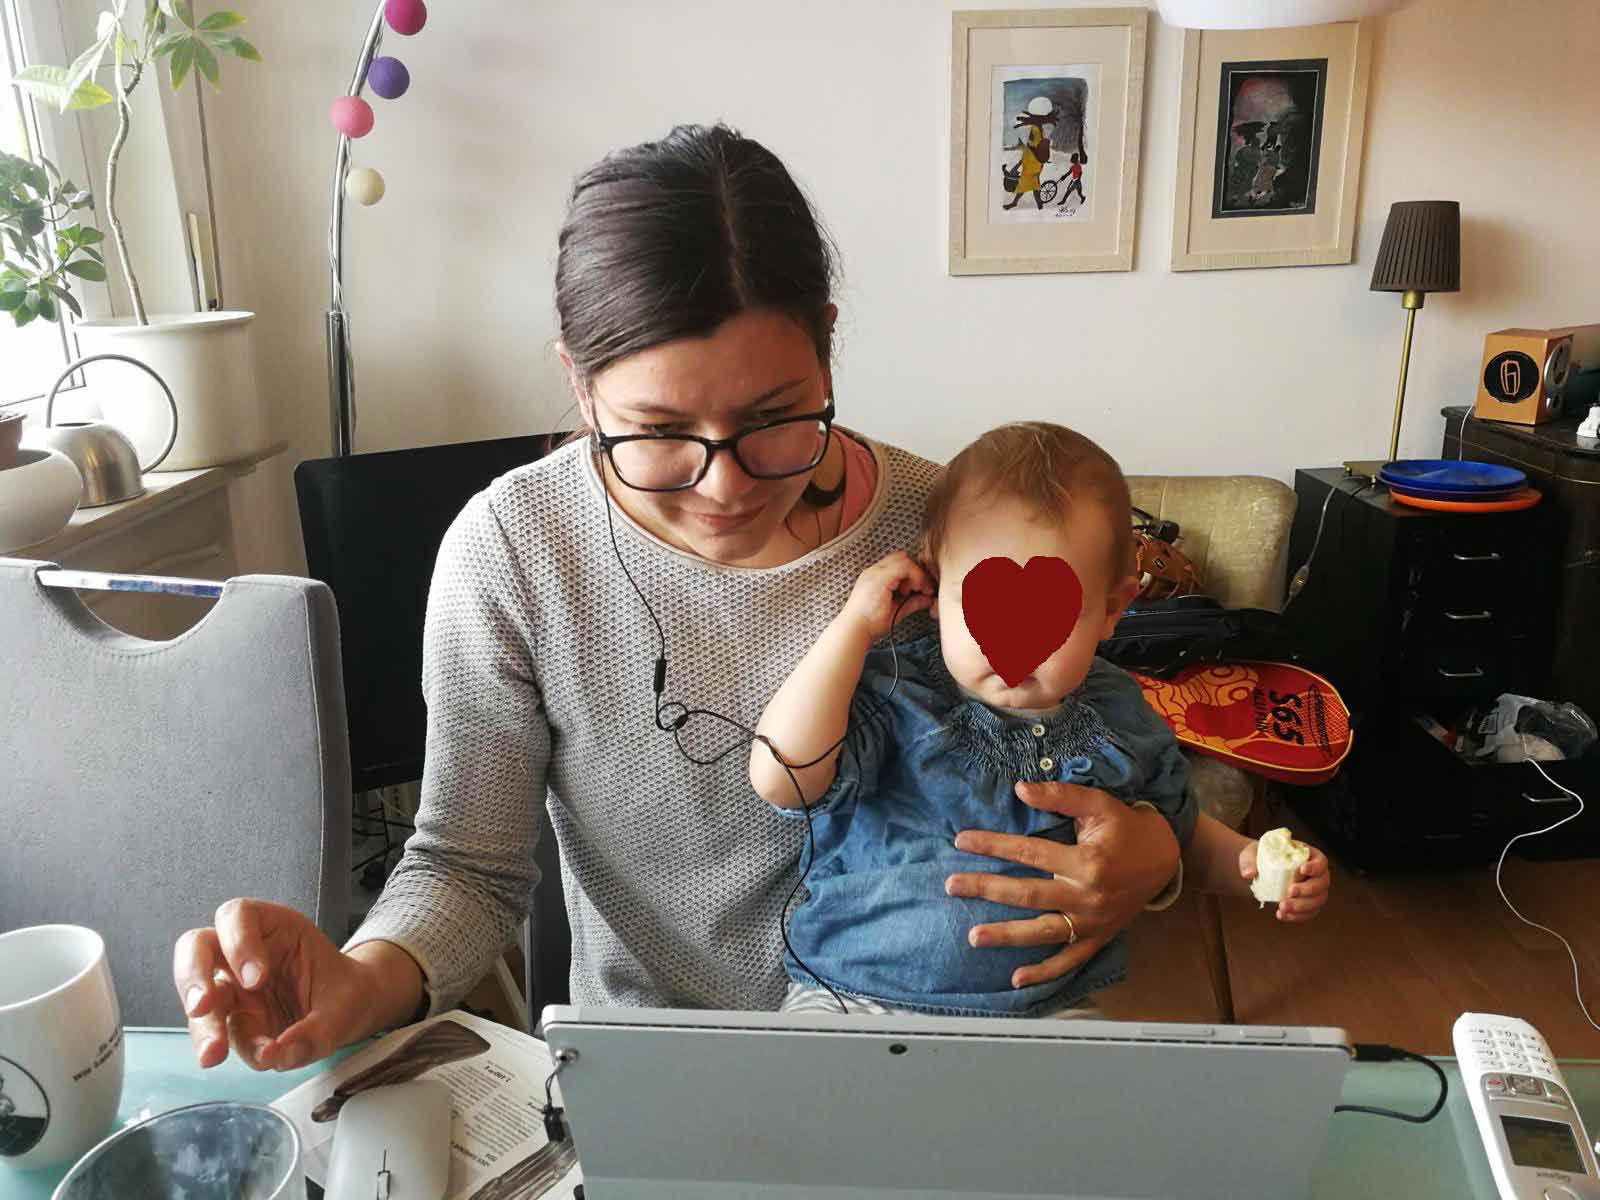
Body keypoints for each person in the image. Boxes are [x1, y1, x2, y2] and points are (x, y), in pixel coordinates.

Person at [173, 124, 1189, 1073]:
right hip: (652, 1069)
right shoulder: (513, 551)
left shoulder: (942, 526)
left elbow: (1077, 742)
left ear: (827, 346)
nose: (726, 486)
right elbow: (467, 868)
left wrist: (1158, 857)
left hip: (927, 1057)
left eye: (775, 419)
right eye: (657, 431)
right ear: (579, 385)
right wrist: (362, 977)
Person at [751, 423, 1331, 1017]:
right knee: (804, 1102)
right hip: (851, 995)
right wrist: (853, 628)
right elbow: (782, 778)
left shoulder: (1122, 712)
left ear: (1112, 611)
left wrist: (1251, 864)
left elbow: (1181, 830)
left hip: (1047, 1004)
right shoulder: (893, 686)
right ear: (933, 586)